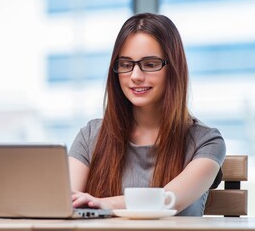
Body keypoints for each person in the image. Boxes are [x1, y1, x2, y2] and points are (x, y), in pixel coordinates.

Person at [68, 13, 226, 216]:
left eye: (150, 64)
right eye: (126, 64)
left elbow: (169, 200)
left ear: (174, 69)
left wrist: (102, 204)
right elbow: (67, 200)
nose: (135, 76)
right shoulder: (91, 135)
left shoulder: (207, 142)